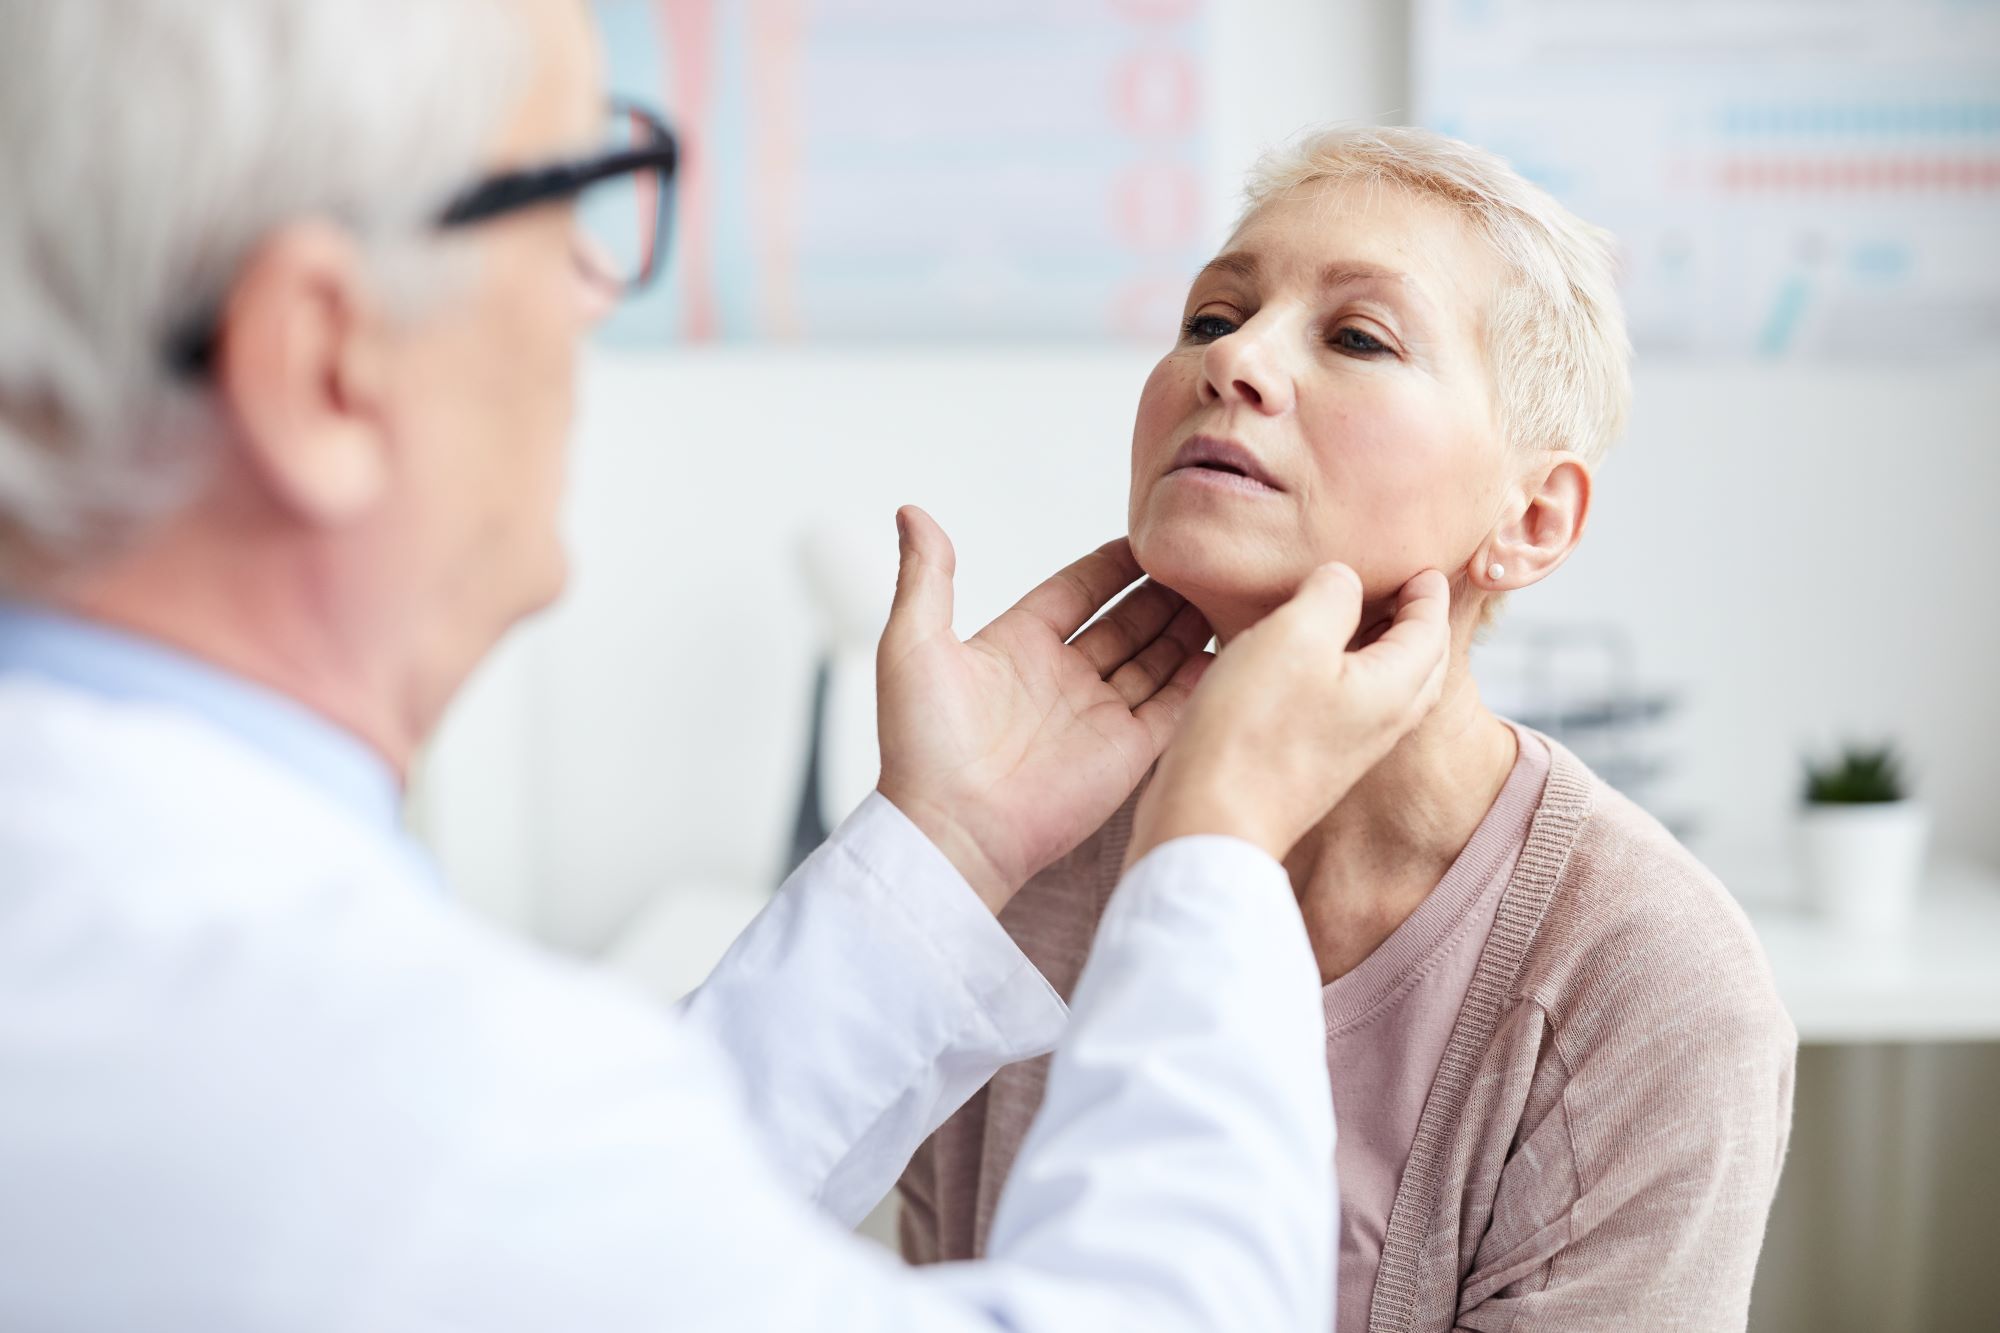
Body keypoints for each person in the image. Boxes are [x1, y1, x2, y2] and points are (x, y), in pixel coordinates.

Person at [0, 3, 1460, 1329]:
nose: (592, 292)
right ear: (325, 360)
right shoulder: (360, 1087)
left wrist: (944, 849)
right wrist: (1211, 854)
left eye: (1358, 334)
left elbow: (600, 1259)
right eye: (568, 207)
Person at [898, 126, 1799, 1332]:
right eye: (1211, 318)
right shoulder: (1019, 858)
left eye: (1357, 336)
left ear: (1530, 517)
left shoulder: (1648, 980)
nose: (1235, 363)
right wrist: (928, 859)